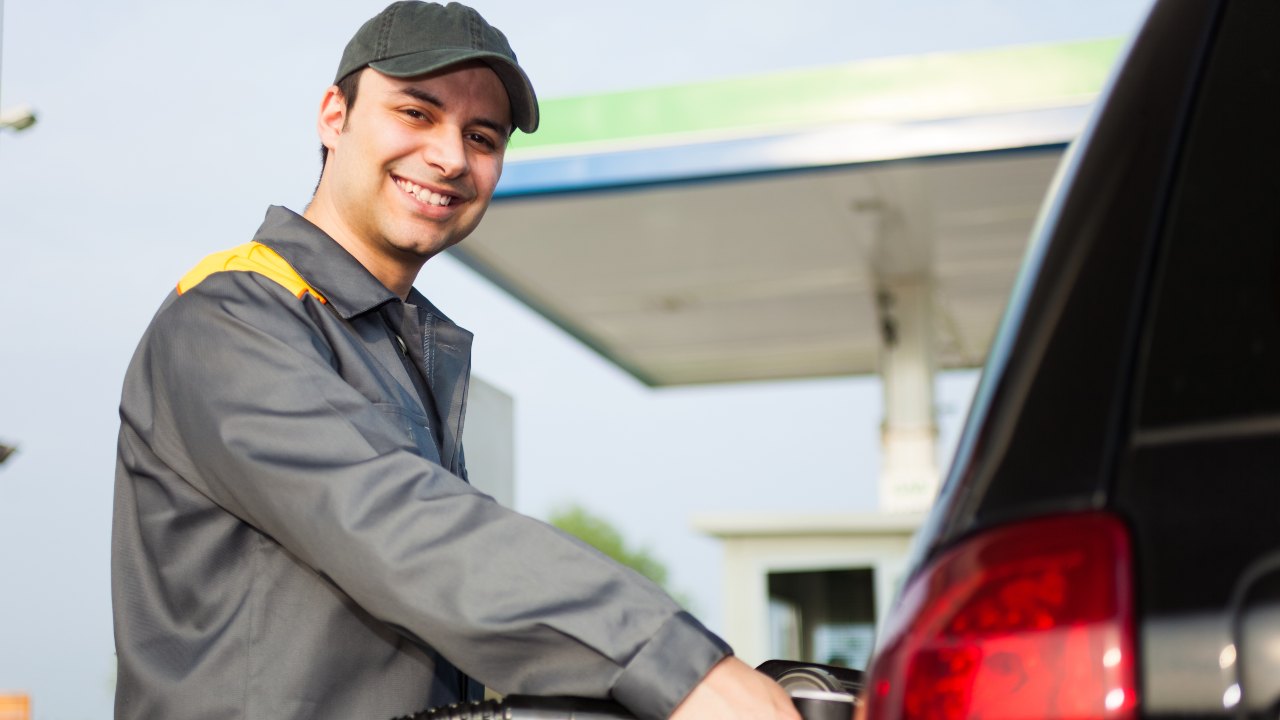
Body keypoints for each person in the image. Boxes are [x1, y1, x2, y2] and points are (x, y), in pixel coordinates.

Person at [111, 3, 800, 719]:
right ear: (332, 116)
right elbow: (400, 526)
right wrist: (679, 667)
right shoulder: (231, 317)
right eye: (416, 113)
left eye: (481, 136)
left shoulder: (397, 344)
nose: (450, 157)